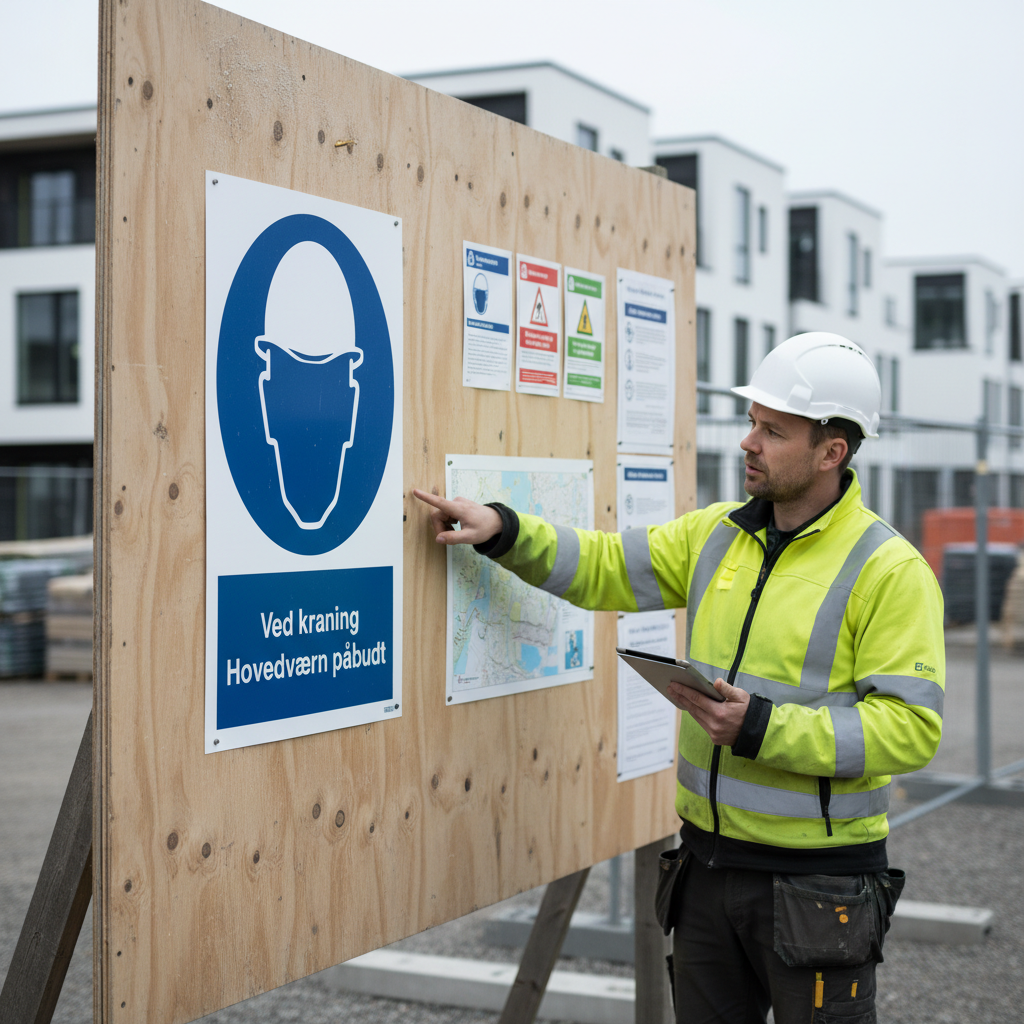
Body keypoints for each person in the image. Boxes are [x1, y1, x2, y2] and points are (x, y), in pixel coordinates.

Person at [413, 332, 944, 1024]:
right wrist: (505, 531)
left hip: (819, 884)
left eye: (772, 430)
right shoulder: (715, 533)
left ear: (831, 452)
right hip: (705, 871)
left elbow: (910, 730)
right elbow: (603, 565)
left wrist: (760, 728)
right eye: (752, 422)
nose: (749, 442)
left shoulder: (889, 571)